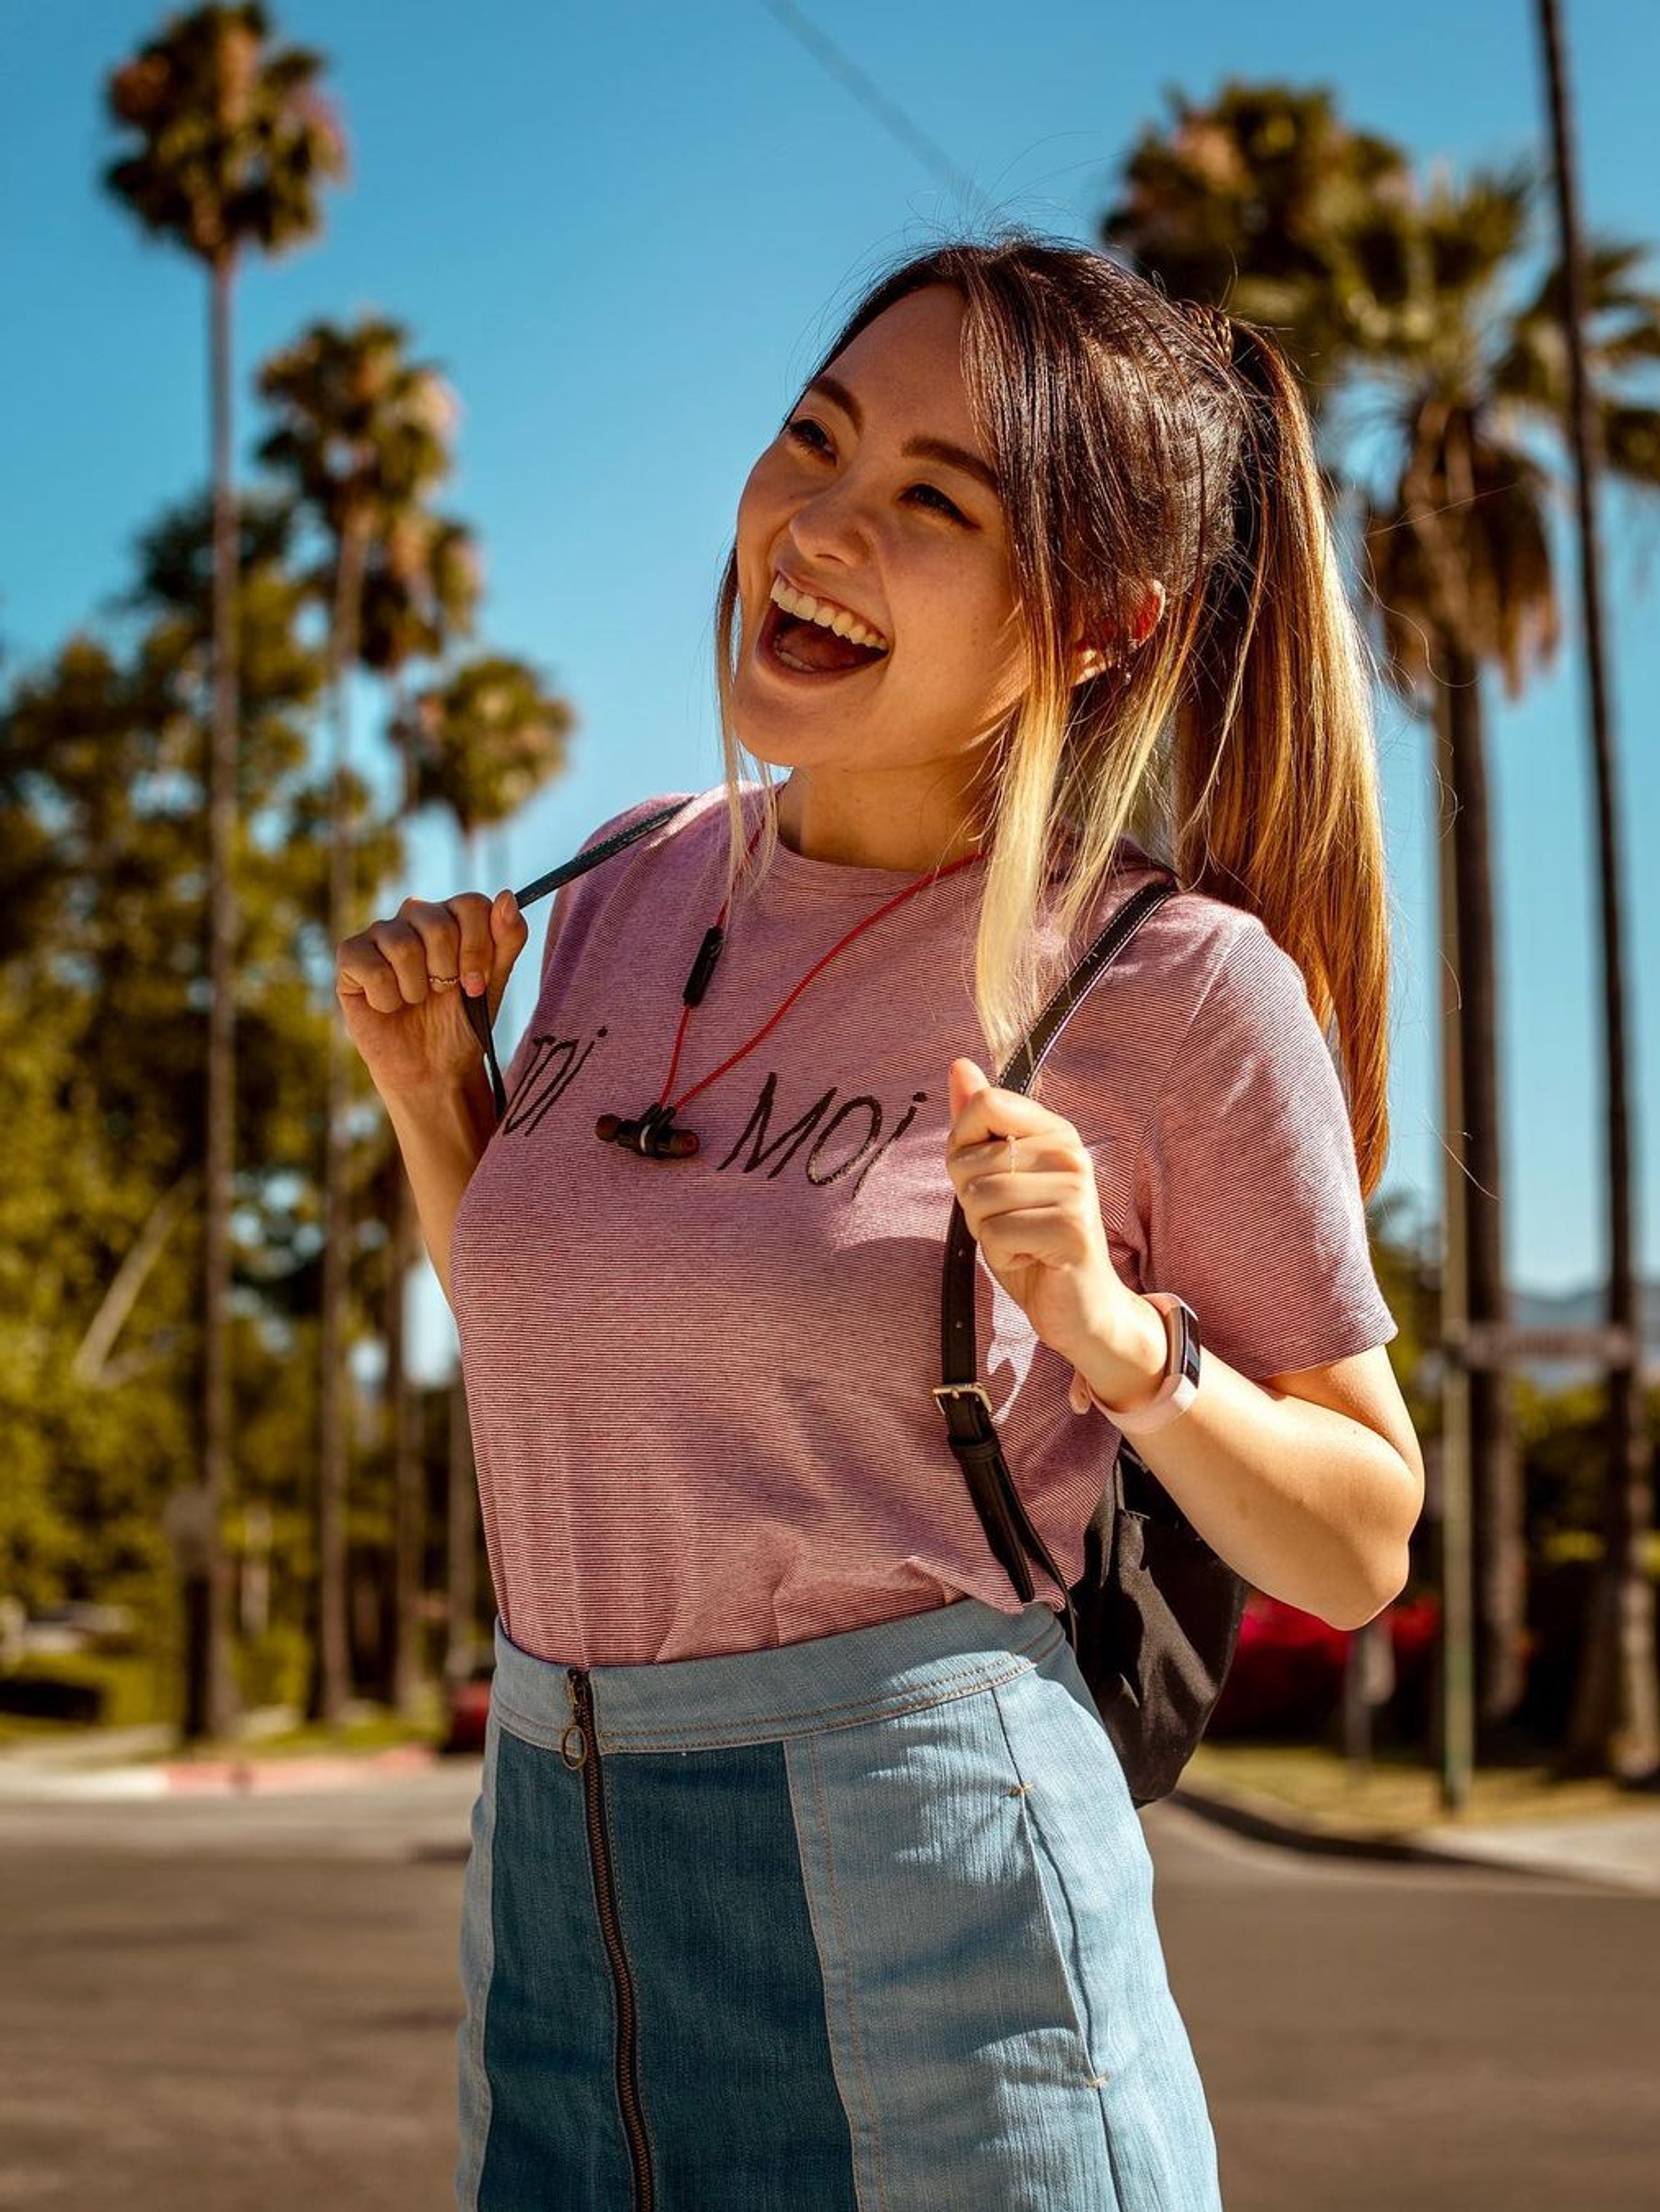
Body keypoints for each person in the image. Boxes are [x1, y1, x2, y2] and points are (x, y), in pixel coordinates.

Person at [337, 229, 1425, 2212]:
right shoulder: (622, 890)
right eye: (814, 443)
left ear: (1097, 620)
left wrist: (1115, 1337)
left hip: (943, 1934)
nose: (819, 526)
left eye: (934, 502)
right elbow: (587, 1376)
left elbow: (1362, 1535)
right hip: (557, 1919)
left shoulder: (1165, 985)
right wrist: (442, 1109)